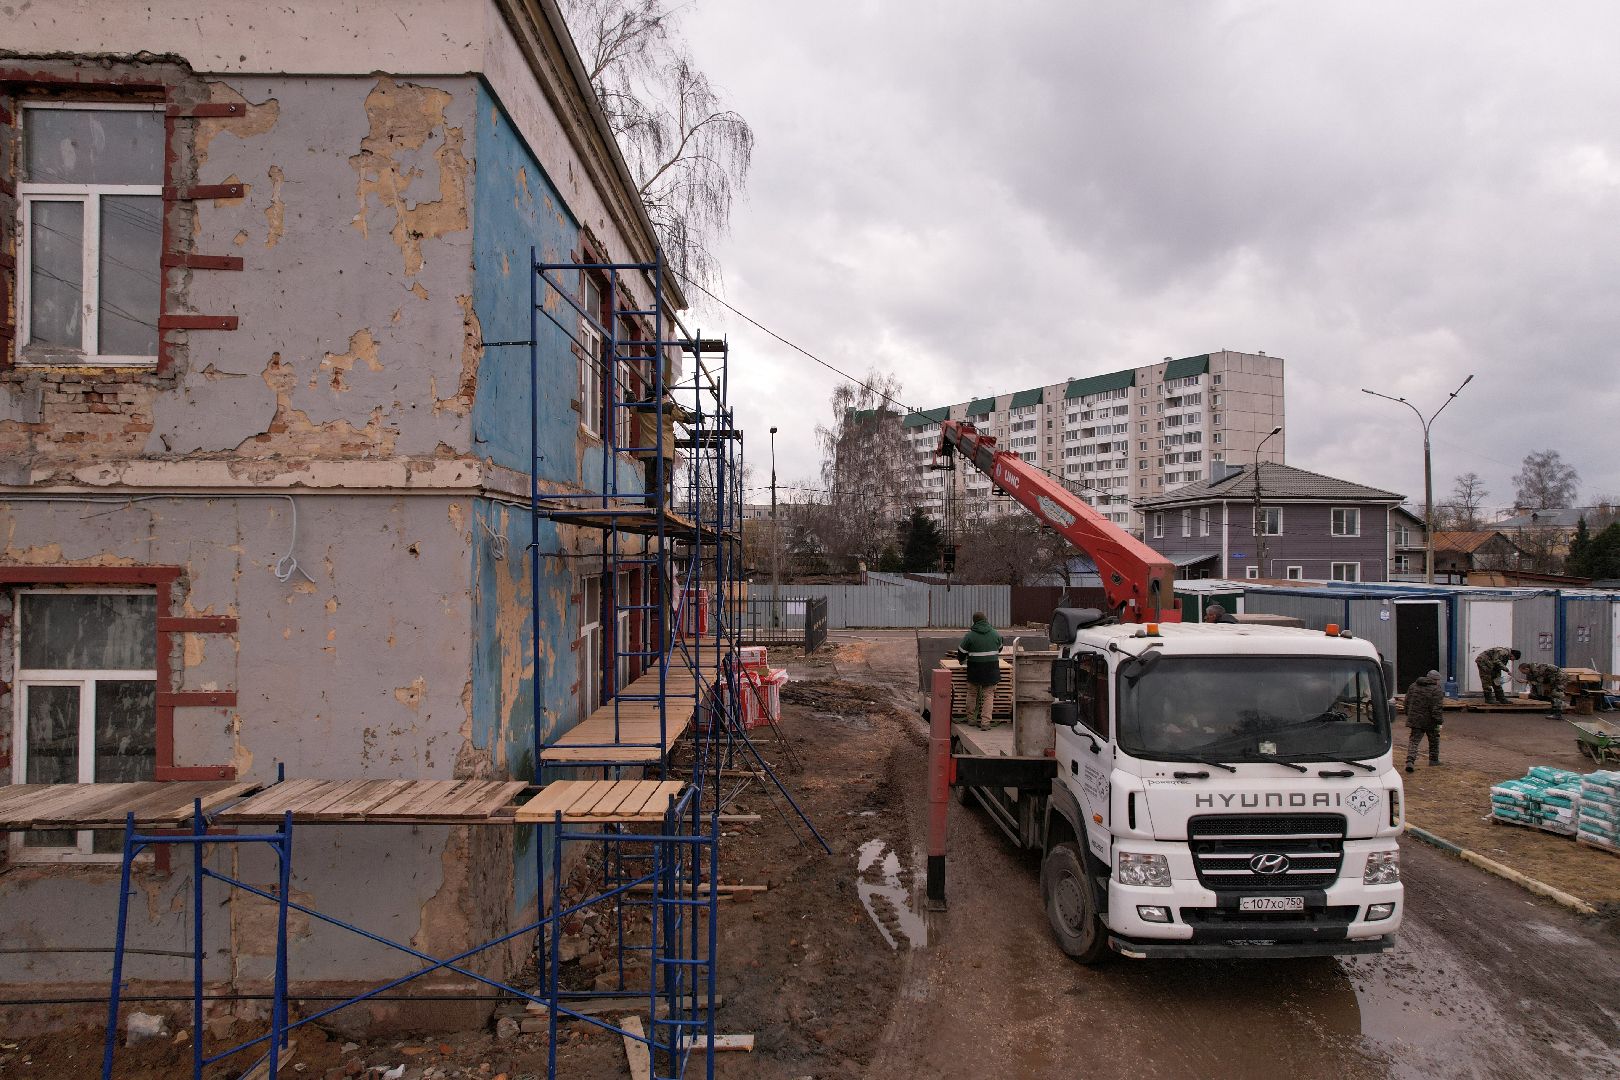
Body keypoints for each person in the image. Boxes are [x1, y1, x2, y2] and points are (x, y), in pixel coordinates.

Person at [956, 611, 1004, 730]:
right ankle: (985, 723)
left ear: (974, 621)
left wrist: (961, 661)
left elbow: (961, 652)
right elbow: (1000, 648)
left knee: (972, 693)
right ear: (986, 620)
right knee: (988, 696)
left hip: (975, 670)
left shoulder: (970, 636)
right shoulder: (995, 634)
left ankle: (971, 719)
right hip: (991, 670)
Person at [1404, 669, 1445, 772]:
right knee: (1434, 740)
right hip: (1430, 721)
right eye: (1438, 680)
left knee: (1414, 741)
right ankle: (1434, 760)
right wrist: (1439, 721)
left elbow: (1406, 702)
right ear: (1435, 680)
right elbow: (1437, 708)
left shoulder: (1413, 686)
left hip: (1415, 719)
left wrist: (1409, 714)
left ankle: (1410, 760)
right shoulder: (1436, 690)